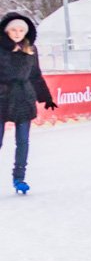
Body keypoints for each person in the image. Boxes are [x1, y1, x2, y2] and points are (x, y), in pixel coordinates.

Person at [1, 12, 57, 195]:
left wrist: (46, 97)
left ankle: (19, 178)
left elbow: (35, 75)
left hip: (24, 98)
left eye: (21, 30)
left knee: (23, 141)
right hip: (2, 97)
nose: (17, 33)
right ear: (6, 31)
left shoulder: (30, 49)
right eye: (14, 30)